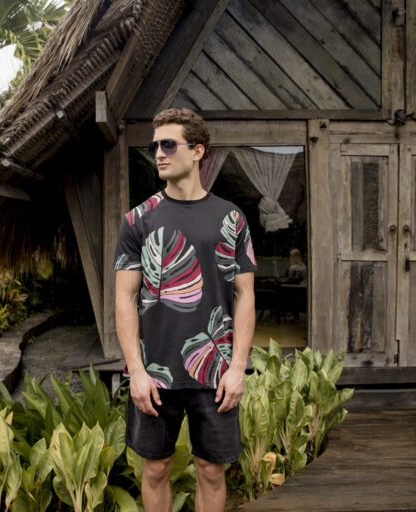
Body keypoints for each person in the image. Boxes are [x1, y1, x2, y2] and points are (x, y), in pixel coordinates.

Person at [114, 108, 257, 512]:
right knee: (155, 469)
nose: (159, 153)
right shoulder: (138, 220)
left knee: (211, 471)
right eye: (155, 146)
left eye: (168, 144)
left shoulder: (231, 218)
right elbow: (124, 298)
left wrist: (237, 368)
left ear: (197, 151)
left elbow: (245, 295)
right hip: (155, 373)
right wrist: (136, 371)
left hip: (216, 372)